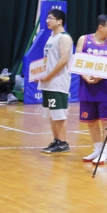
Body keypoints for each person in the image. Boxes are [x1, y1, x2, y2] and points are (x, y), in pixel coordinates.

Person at [77, 15, 107, 165]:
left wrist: (101, 76)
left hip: (105, 88)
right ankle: (97, 149)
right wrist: (85, 76)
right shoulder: (84, 39)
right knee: (91, 121)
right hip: (87, 87)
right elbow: (77, 61)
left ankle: (106, 153)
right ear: (100, 27)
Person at [37, 8, 73, 154]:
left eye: (50, 18)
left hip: (58, 82)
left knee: (59, 114)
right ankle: (56, 140)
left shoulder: (64, 38)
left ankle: (63, 143)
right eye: (47, 18)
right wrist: (39, 74)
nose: (47, 21)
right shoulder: (51, 37)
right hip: (48, 81)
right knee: (52, 114)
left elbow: (64, 60)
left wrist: (49, 76)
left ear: (59, 21)